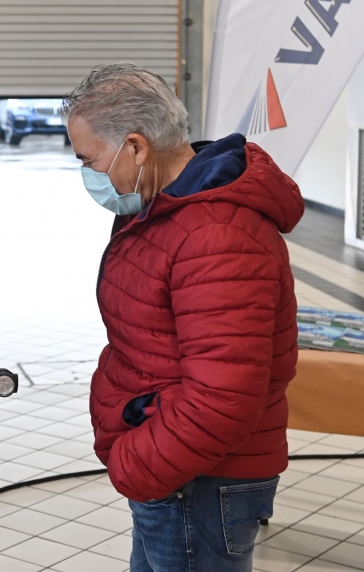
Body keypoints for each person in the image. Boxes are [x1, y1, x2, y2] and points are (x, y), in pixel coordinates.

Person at [62, 63, 304, 572]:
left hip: (197, 479)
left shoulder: (215, 235)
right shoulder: (159, 209)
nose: (85, 172)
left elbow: (222, 397)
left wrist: (137, 464)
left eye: (88, 158)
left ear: (135, 147)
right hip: (176, 467)